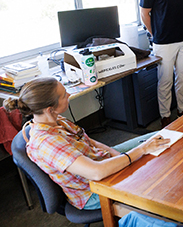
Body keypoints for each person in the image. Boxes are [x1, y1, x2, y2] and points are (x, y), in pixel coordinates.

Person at [3, 77, 170, 210]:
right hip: (93, 190)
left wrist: (116, 153)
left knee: (160, 137)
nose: (68, 95)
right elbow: (96, 173)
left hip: (99, 159)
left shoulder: (54, 119)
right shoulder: (47, 143)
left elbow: (87, 140)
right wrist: (139, 151)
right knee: (157, 179)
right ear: (49, 108)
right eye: (63, 95)